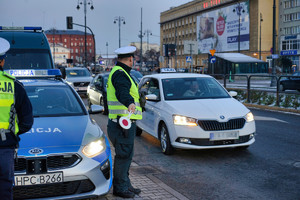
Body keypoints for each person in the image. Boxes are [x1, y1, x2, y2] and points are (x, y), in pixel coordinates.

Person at [106, 46, 143, 198]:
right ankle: (120, 188)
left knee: (126, 155)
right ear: (129, 59)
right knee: (123, 156)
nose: (133, 61)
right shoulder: (121, 74)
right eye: (133, 59)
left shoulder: (119, 72)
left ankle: (126, 184)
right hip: (122, 124)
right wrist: (130, 103)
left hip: (122, 123)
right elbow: (122, 92)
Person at [0, 37, 34, 200]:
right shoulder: (14, 86)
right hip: (5, 147)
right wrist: (12, 133)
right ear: (2, 61)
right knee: (5, 187)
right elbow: (27, 122)